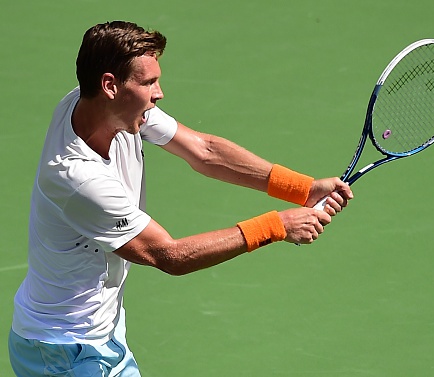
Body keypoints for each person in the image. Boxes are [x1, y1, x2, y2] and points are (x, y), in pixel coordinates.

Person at [8, 21, 353, 376]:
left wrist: (301, 188)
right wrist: (276, 225)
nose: (159, 93)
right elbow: (168, 255)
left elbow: (203, 150)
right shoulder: (79, 179)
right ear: (110, 85)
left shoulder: (103, 107)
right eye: (148, 83)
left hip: (96, 336)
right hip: (65, 352)